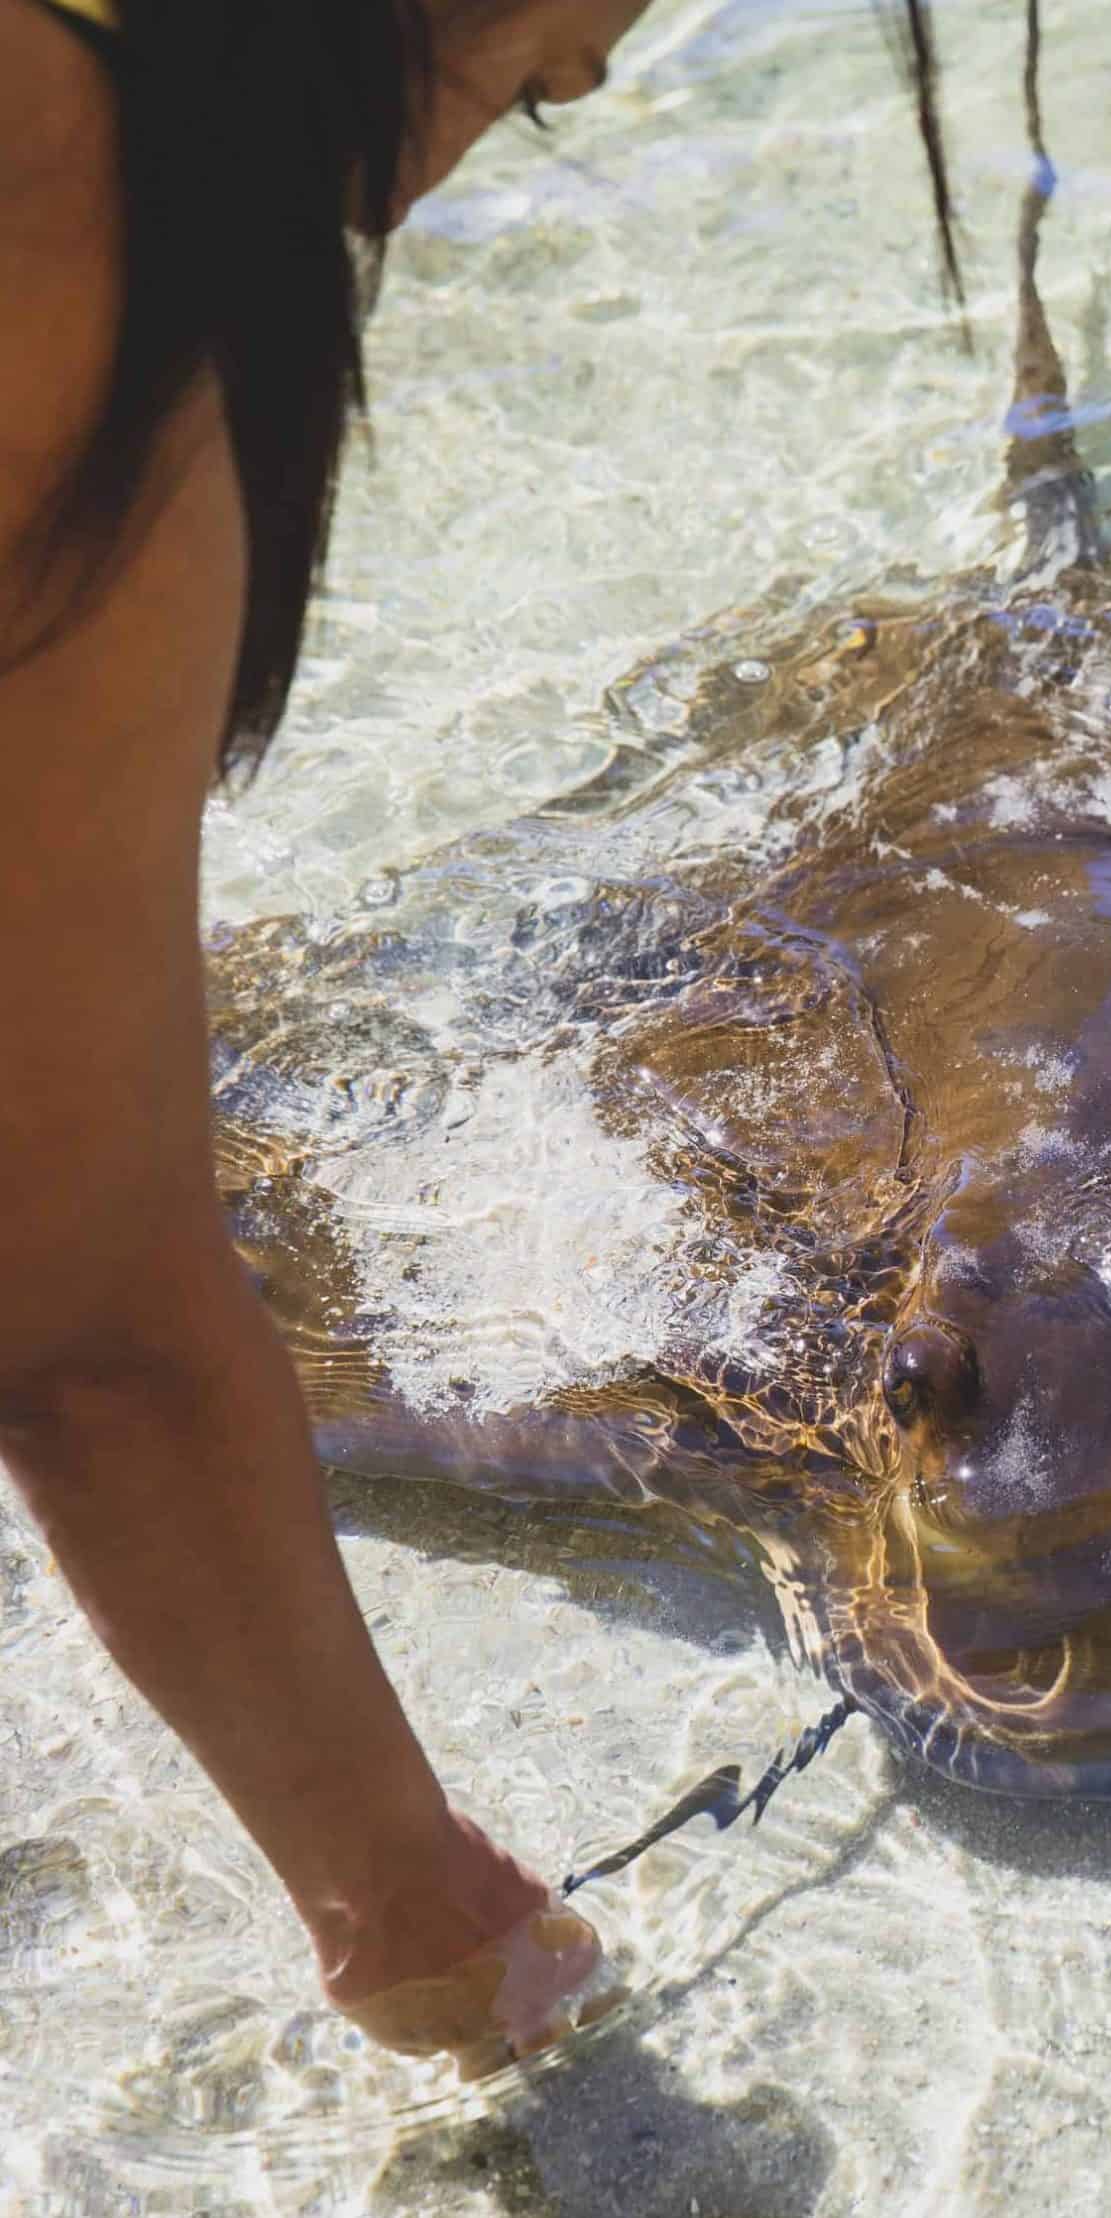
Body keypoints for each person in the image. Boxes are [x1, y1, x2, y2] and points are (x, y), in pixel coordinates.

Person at [0, 0, 656, 2076]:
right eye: (566, 63)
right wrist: (415, 1908)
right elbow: (87, 1326)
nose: (579, 85)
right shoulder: (64, 231)